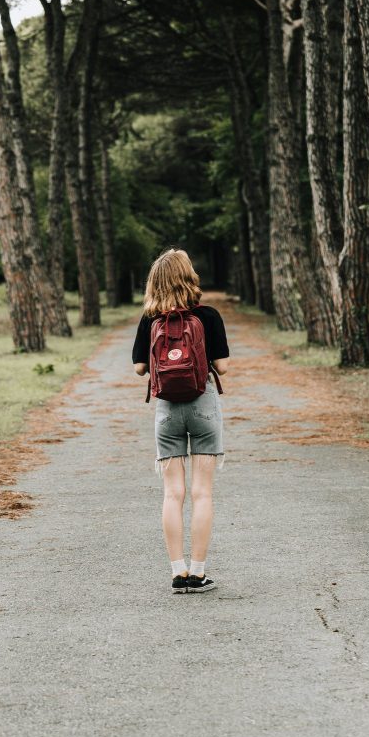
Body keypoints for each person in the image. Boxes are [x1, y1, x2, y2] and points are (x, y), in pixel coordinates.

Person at [132, 248, 230, 595]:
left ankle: (178, 571)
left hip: (167, 409)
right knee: (202, 493)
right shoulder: (208, 315)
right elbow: (223, 367)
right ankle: (199, 573)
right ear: (189, 276)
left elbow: (140, 368)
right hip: (202, 405)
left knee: (173, 494)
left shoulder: (150, 319)